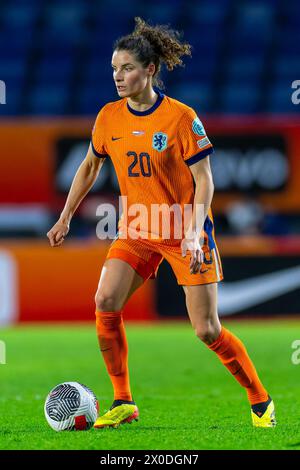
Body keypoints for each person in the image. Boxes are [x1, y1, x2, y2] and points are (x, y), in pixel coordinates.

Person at [47, 17, 276, 429]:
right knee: (104, 303)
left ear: (150, 69)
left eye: (127, 68)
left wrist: (193, 227)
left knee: (206, 330)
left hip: (185, 230)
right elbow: (88, 166)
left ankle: (260, 400)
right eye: (114, 68)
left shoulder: (181, 118)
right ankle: (123, 401)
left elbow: (205, 179)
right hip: (137, 228)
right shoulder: (108, 117)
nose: (118, 76)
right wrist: (64, 217)